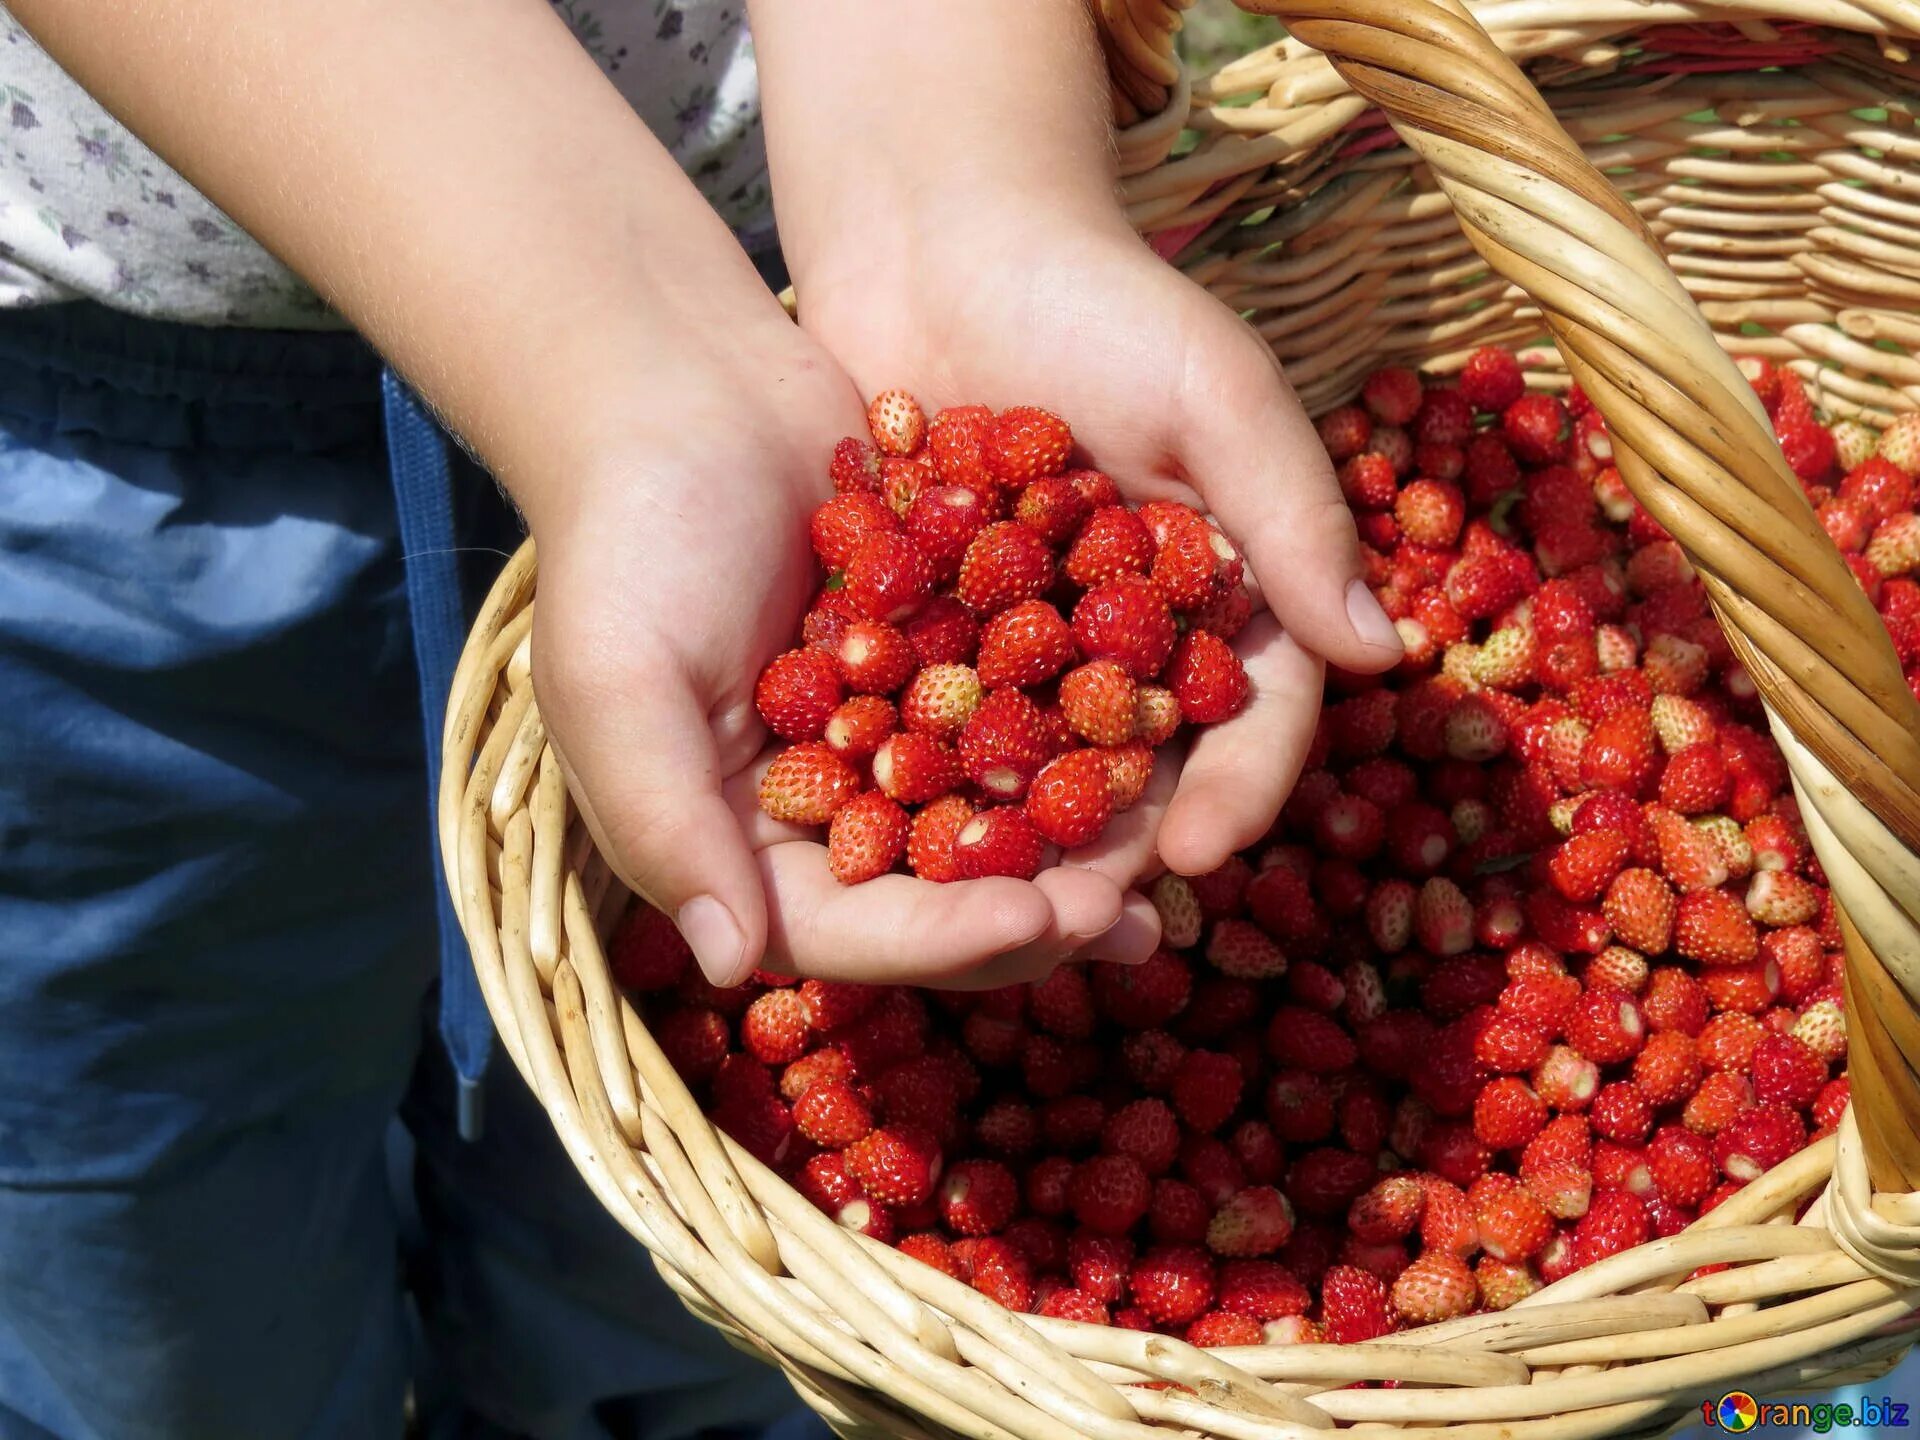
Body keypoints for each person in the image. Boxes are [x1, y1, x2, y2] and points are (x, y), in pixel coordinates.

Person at [0, 2, 1402, 1436]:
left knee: (664, 1215)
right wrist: (608, 360)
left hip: (783, 275)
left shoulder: (907, 530)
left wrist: (959, 194)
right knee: (161, 1264)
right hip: (129, 444)